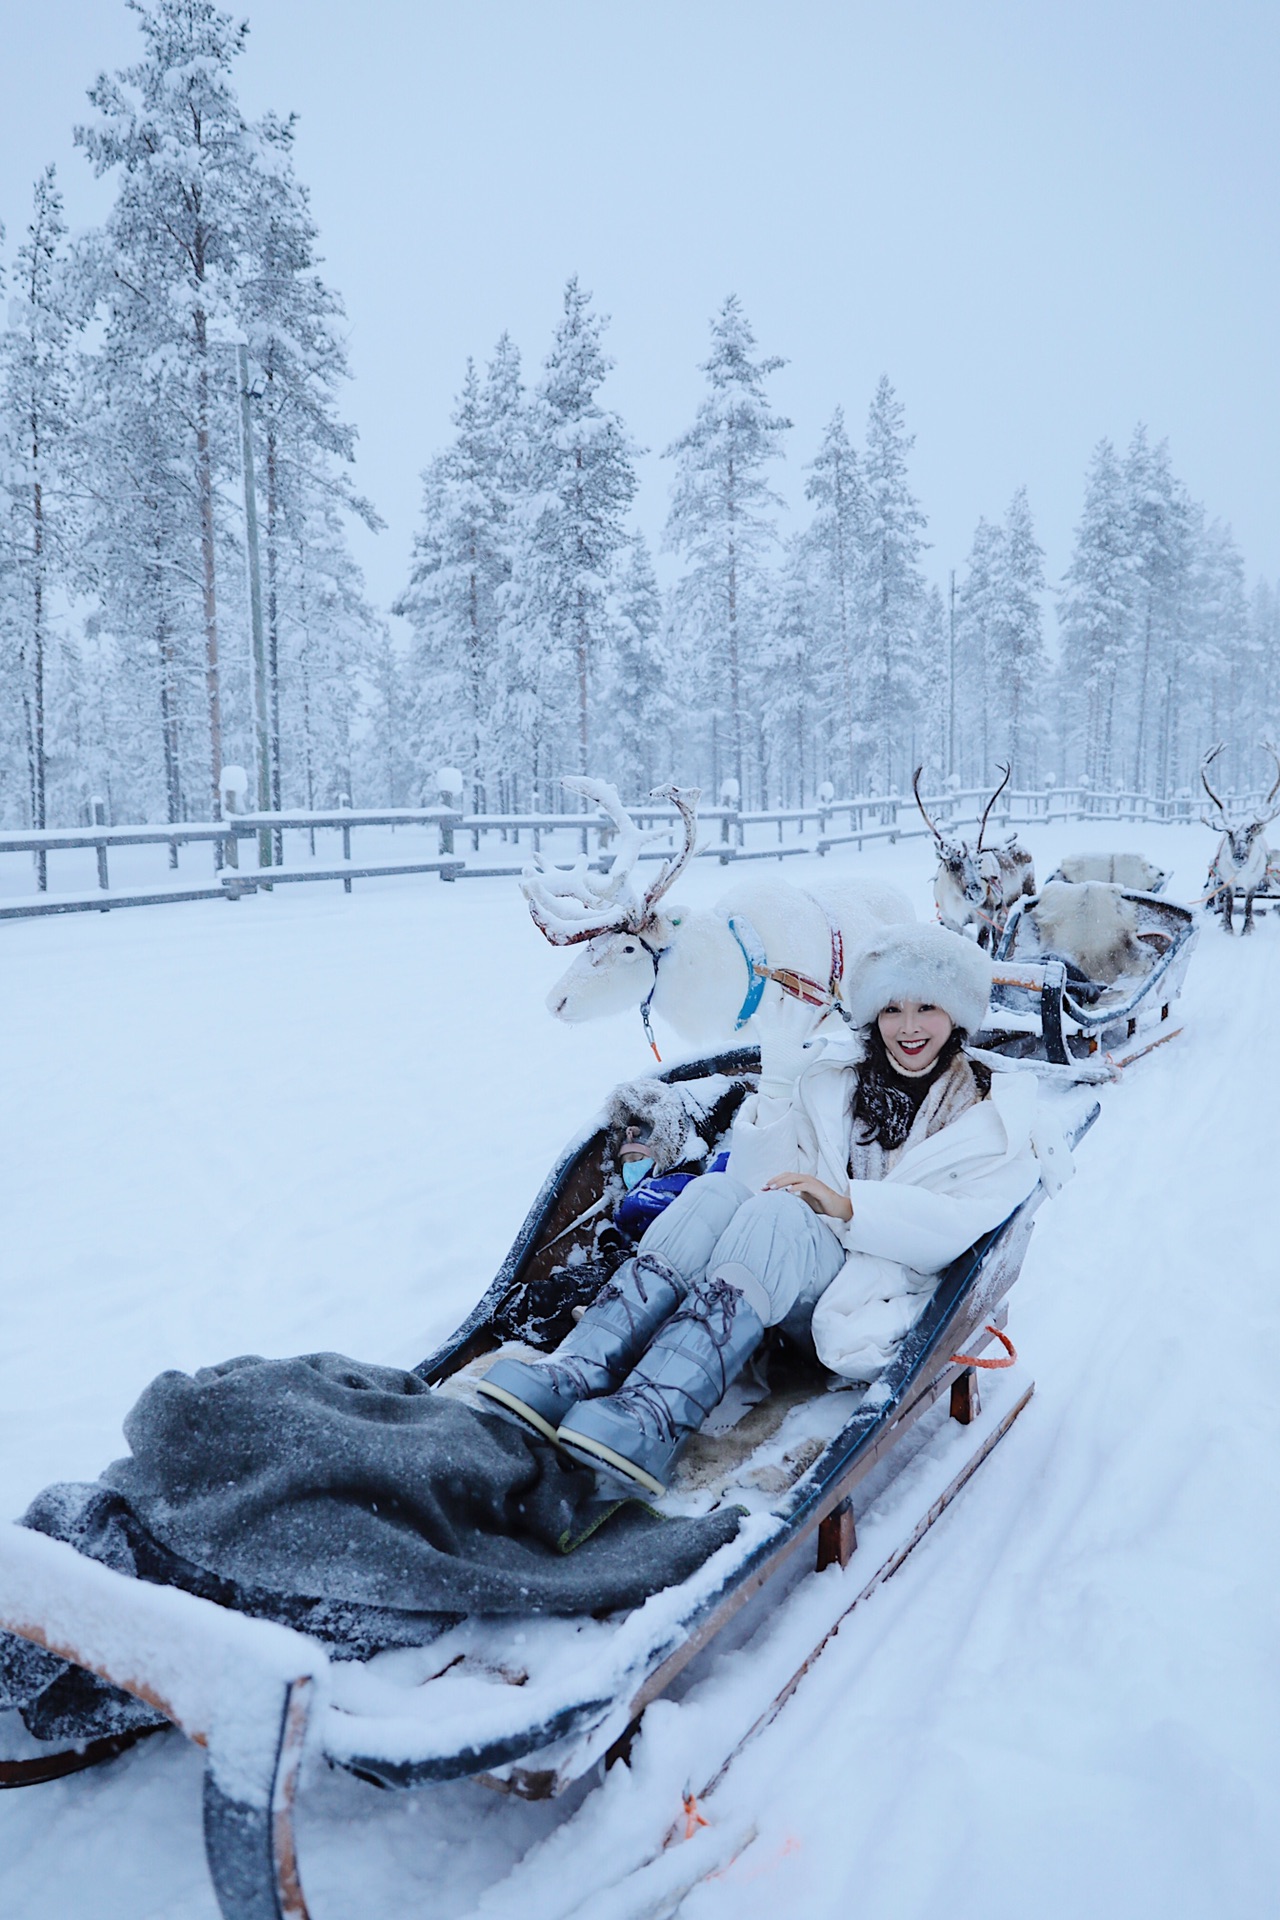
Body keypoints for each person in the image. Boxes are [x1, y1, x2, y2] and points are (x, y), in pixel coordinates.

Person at [477, 924, 1067, 1496]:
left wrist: (847, 1203)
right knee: (713, 1194)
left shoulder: (996, 1116)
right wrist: (780, 1087)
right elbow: (755, 1183)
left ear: (957, 1014)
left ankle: (657, 1415)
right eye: (891, 1009)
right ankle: (580, 1368)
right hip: (784, 1278)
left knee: (778, 1216)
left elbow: (958, 1226)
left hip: (875, 1294)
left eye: (926, 1009)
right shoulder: (838, 1084)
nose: (907, 1028)